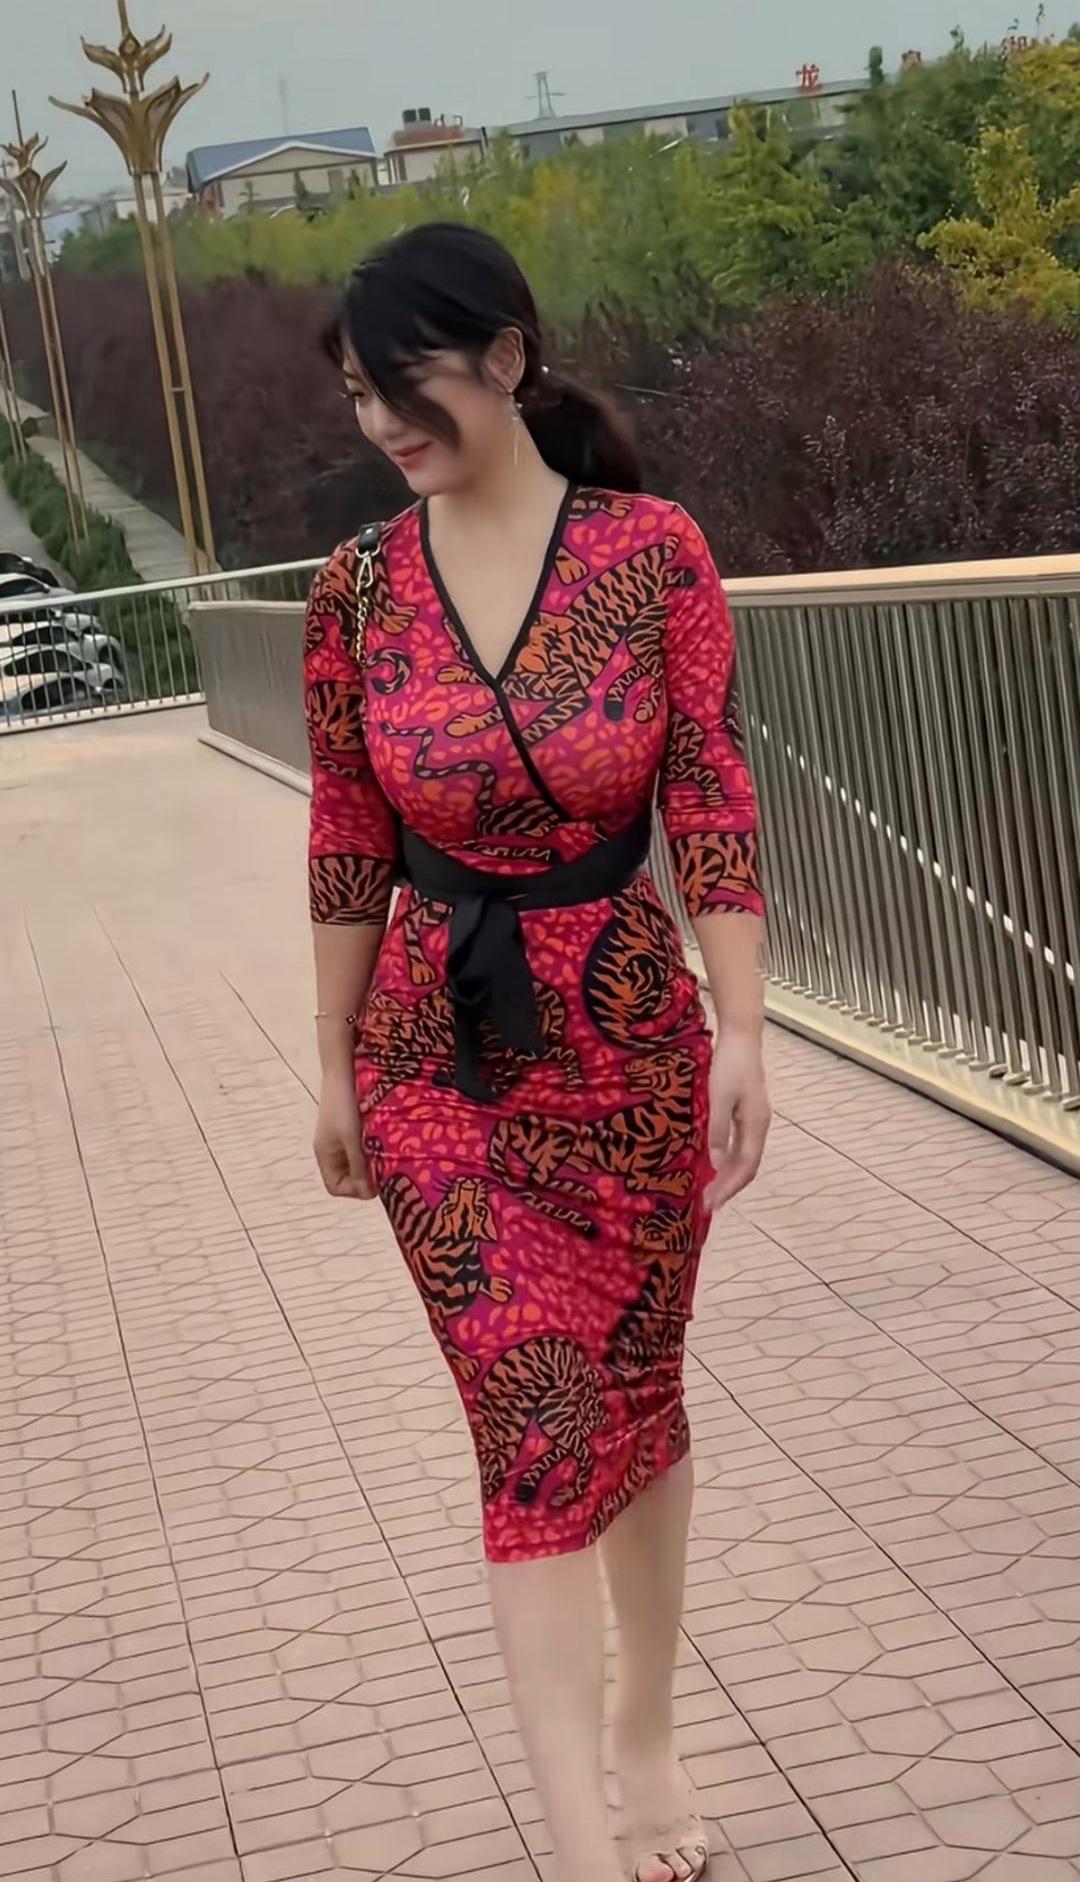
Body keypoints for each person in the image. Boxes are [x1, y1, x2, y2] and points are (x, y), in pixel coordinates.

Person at [304, 222, 769, 1882]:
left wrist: (743, 1024)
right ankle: (580, 1843)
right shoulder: (357, 590)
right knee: (534, 1414)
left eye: (402, 383)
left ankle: (646, 1731)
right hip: (435, 1054)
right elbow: (348, 834)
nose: (380, 422)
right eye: (357, 394)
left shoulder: (652, 553)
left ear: (506, 357)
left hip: (630, 1040)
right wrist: (328, 1061)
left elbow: (708, 789)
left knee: (635, 1392)